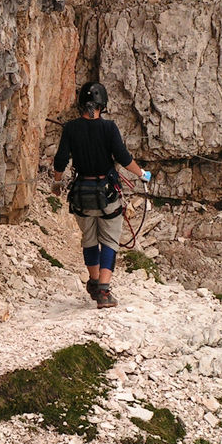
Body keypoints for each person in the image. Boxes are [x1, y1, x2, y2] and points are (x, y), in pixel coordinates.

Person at [52, 82, 151, 308]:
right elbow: (124, 158)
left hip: (81, 194)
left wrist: (57, 182)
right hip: (107, 195)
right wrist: (142, 174)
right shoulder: (109, 128)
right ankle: (104, 292)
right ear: (102, 104)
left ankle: (94, 282)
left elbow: (60, 159)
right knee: (109, 240)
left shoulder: (70, 128)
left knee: (89, 240)